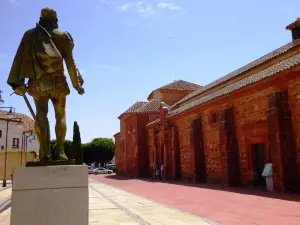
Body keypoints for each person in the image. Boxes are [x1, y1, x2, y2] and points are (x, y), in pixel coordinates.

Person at [7, 8, 84, 161]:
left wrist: (18, 83)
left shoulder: (29, 35)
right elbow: (70, 63)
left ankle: (44, 153)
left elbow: (19, 59)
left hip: (38, 83)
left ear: (41, 19)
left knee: (41, 115)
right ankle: (60, 151)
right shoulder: (63, 36)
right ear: (56, 20)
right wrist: (76, 85)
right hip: (58, 83)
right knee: (60, 115)